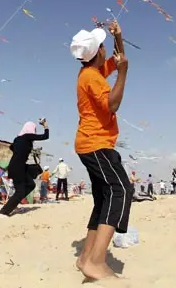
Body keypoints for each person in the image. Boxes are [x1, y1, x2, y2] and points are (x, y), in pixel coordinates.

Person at [70, 21, 132, 282]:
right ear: (98, 52)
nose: (107, 50)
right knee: (121, 190)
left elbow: (120, 59)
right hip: (96, 144)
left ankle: (86, 257)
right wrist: (123, 74)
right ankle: (95, 261)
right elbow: (112, 105)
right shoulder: (91, 78)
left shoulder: (92, 72)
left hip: (93, 143)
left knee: (104, 198)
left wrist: (119, 35)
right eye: (105, 46)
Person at [0, 119, 50, 216]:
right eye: (34, 129)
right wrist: (45, 125)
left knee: (31, 185)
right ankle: (3, 212)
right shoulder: (27, 136)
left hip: (17, 166)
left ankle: (13, 205)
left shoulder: (17, 139)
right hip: (18, 167)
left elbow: (11, 147)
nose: (34, 132)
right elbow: (45, 136)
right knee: (20, 191)